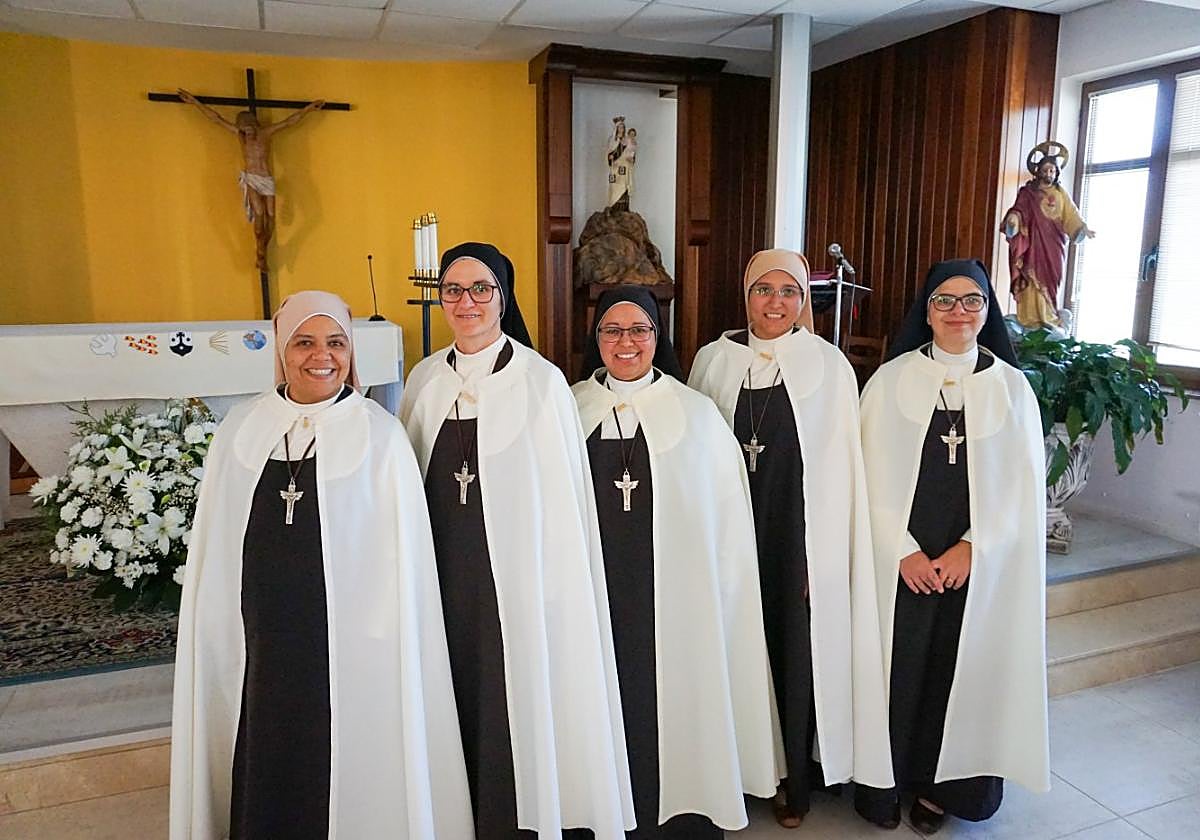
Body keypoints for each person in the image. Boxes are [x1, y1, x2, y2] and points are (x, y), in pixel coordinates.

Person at [170, 291, 472, 839]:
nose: (321, 355)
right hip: (258, 637)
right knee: (262, 737)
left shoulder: (380, 435)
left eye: (335, 342)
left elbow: (402, 563)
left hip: (351, 643)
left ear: (351, 353)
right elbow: (216, 549)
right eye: (304, 342)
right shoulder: (242, 428)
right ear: (281, 350)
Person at [399, 242, 634, 839]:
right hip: (444, 576)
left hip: (519, 581)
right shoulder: (424, 380)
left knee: (512, 693)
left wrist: (553, 587)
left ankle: (518, 815)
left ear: (503, 298)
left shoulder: (542, 382)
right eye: (454, 290)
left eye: (482, 288)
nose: (467, 301)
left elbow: (562, 501)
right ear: (441, 298)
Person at [688, 249, 893, 828]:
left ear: (804, 302)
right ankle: (732, 770)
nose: (774, 302)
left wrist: (819, 557)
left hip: (794, 540)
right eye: (763, 289)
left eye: (788, 292)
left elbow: (840, 472)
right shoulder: (712, 361)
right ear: (745, 294)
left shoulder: (829, 367)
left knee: (791, 654)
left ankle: (791, 783)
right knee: (729, 649)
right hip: (728, 537)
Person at [573, 286, 779, 838]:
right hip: (595, 586)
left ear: (657, 337)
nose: (626, 342)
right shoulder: (570, 407)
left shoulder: (696, 413)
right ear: (595, 339)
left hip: (675, 593)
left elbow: (724, 521)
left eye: (639, 329)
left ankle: (683, 800)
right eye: (611, 331)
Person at [856, 259, 1049, 834]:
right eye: (944, 300)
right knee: (901, 666)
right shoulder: (889, 381)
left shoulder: (1012, 390)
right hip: (903, 561)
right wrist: (900, 549)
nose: (958, 312)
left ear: (988, 310)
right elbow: (861, 475)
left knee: (957, 671)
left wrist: (975, 546)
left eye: (971, 300)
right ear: (926, 311)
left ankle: (945, 792)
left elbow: (1023, 489)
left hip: (975, 566)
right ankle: (883, 782)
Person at [177, 89, 324, 271]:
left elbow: (289, 122)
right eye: (244, 130)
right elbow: (215, 118)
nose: (247, 133)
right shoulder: (240, 135)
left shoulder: (266, 133)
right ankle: (260, 253)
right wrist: (194, 102)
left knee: (271, 218)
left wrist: (308, 109)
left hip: (267, 179)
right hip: (251, 178)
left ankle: (261, 250)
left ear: (254, 124)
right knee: (260, 214)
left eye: (249, 128)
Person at [1000, 141, 1094, 329]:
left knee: (1052, 279)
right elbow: (1018, 211)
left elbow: (1071, 216)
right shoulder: (1027, 193)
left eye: (1052, 171)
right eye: (1046, 170)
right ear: (1038, 171)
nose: (1049, 174)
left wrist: (1081, 229)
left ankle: (1050, 316)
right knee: (1030, 280)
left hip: (1055, 245)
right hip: (1032, 245)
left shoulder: (1061, 194)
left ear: (1057, 173)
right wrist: (1013, 221)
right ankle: (1029, 319)